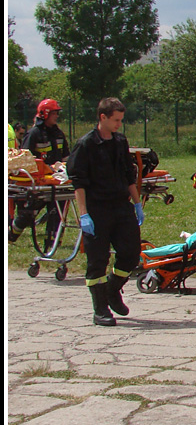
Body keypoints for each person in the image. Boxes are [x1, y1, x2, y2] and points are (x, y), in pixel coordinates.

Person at [66, 98, 144, 326]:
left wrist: (137, 203)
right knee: (97, 260)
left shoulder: (120, 141)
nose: (120, 124)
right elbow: (78, 182)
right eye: (116, 120)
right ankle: (100, 309)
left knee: (130, 254)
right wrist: (83, 214)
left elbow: (128, 174)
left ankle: (112, 289)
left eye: (121, 119)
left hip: (121, 205)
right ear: (103, 117)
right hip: (97, 208)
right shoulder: (86, 145)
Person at [9, 99, 70, 245]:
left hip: (55, 181)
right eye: (54, 113)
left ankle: (52, 242)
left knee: (57, 210)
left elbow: (66, 157)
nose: (56, 116)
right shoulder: (34, 134)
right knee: (29, 213)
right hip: (37, 182)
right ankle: (11, 236)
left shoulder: (59, 134)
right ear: (45, 114)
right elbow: (25, 159)